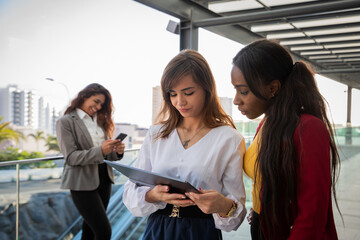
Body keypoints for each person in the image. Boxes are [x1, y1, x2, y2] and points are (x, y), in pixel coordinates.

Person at [123, 49, 247, 240]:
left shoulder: (229, 138)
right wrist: (153, 195)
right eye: (172, 94)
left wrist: (222, 205)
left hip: (201, 232)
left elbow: (235, 214)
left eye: (188, 92)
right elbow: (130, 191)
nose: (180, 102)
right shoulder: (157, 134)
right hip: (157, 230)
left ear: (207, 89)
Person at [231, 39, 340, 240]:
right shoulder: (267, 124)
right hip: (263, 228)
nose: (237, 100)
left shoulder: (309, 128)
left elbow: (312, 214)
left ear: (273, 88)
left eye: (243, 91)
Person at [56, 83, 125, 240]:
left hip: (104, 178)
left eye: (102, 104)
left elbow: (107, 155)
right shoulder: (66, 122)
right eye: (96, 101)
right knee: (103, 232)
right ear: (84, 96)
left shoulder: (100, 122)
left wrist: (117, 151)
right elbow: (71, 157)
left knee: (90, 231)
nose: (99, 106)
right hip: (82, 182)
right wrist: (101, 150)